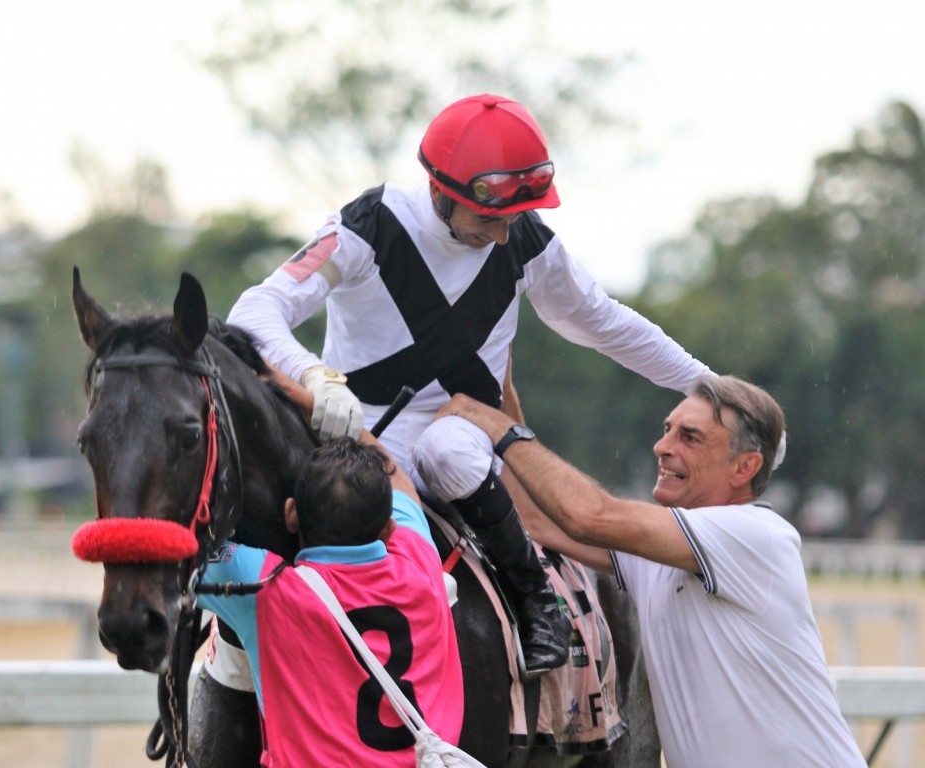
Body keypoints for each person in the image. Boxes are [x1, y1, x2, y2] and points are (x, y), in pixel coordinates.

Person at [228, 92, 713, 675]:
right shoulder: (367, 225)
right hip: (357, 435)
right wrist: (314, 377)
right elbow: (253, 311)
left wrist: (712, 389)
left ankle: (536, 601)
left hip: (460, 429)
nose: (505, 237)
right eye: (489, 218)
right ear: (440, 192)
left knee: (450, 450)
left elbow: (607, 324)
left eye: (514, 219)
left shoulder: (525, 239)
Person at [437, 375, 867, 768]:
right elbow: (538, 519)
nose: (663, 447)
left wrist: (496, 427)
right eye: (667, 430)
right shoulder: (663, 553)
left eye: (690, 437)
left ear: (745, 468)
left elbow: (589, 514)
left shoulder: (756, 535)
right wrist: (500, 382)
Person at [194, 433, 463, 767]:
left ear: (292, 514)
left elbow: (170, 555)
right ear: (388, 530)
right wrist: (352, 425)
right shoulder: (421, 558)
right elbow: (401, 483)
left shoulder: (264, 587)